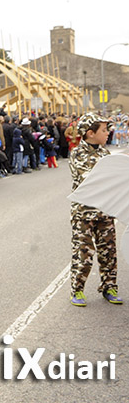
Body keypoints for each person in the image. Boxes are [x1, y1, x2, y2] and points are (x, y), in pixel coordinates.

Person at [68, 113, 122, 307]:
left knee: (109, 252)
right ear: (90, 133)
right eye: (104, 130)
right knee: (83, 253)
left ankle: (109, 286)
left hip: (105, 212)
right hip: (84, 213)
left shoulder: (105, 154)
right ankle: (77, 289)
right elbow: (90, 180)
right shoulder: (77, 153)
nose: (108, 133)